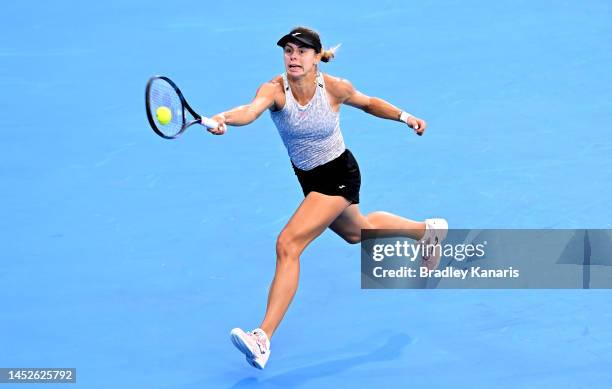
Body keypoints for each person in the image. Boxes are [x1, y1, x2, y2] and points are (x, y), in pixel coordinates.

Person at [206, 26, 448, 370]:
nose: (293, 57)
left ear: (317, 57)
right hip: (310, 180)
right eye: (288, 50)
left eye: (301, 51)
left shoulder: (334, 87)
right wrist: (223, 119)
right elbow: (250, 110)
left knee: (288, 244)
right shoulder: (275, 89)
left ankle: (263, 337)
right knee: (357, 233)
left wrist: (405, 117)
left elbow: (368, 103)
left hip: (338, 176)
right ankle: (425, 230)